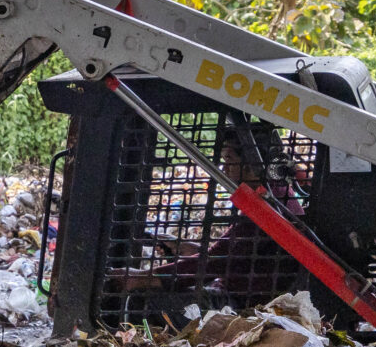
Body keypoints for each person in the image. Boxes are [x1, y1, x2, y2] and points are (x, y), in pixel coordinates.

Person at [114, 125, 304, 295]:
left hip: (243, 300)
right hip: (243, 288)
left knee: (151, 297)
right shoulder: (277, 195)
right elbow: (228, 255)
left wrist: (141, 278)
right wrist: (184, 247)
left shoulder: (269, 206)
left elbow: (216, 262)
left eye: (229, 159)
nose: (224, 168)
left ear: (252, 164)